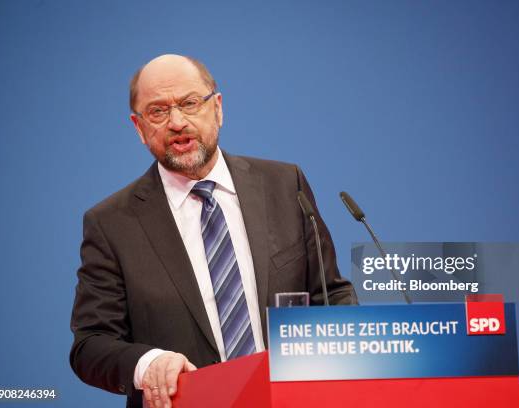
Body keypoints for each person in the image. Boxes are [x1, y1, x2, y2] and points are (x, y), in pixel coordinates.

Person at [69, 54, 356, 408]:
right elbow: (90, 345)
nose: (177, 121)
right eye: (157, 111)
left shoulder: (283, 184)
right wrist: (149, 364)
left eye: (190, 103)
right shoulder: (112, 223)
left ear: (217, 108)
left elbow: (330, 294)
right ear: (139, 128)